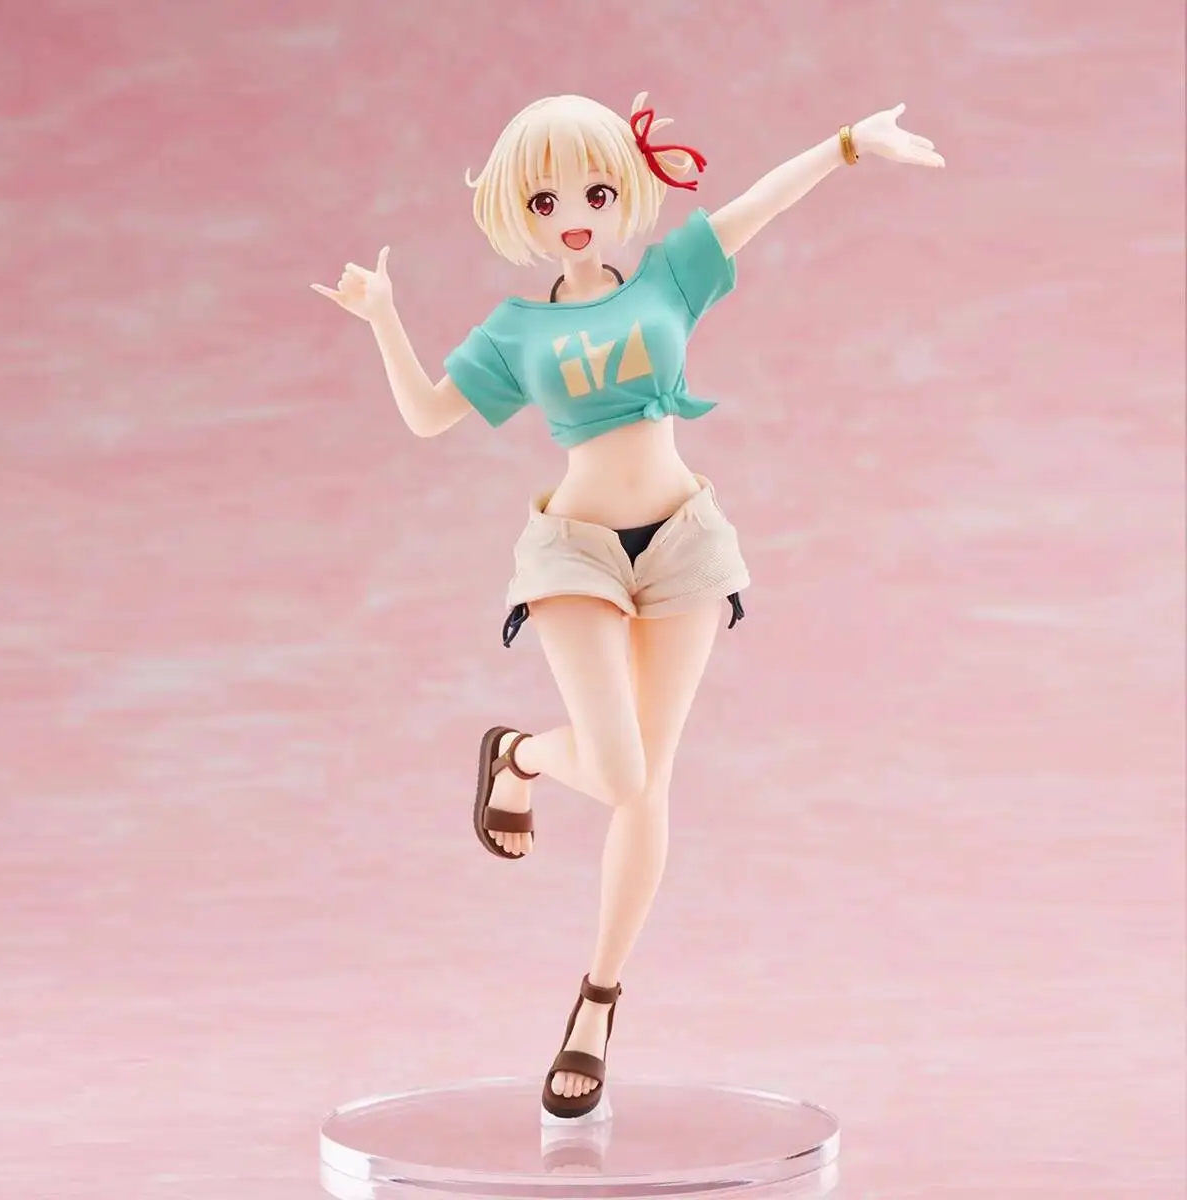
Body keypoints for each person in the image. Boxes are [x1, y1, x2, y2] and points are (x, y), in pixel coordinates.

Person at [313, 91, 944, 1120]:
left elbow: (755, 207)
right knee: (615, 769)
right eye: (547, 199)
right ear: (516, 211)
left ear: (626, 194)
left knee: (649, 786)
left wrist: (845, 146)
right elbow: (429, 415)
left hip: (684, 545)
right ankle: (519, 756)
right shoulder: (517, 330)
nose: (575, 215)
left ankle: (596, 1004)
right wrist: (383, 315)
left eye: (596, 193)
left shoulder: (668, 277)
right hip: (576, 550)